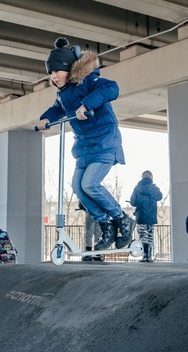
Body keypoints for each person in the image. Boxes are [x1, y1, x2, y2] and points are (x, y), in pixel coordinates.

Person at [36, 37, 135, 251]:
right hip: (84, 146)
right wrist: (46, 118)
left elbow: (112, 88)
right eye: (50, 73)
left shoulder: (89, 81)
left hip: (105, 141)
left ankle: (122, 220)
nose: (53, 77)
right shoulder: (62, 95)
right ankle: (106, 225)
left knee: (90, 184)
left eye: (57, 72)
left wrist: (86, 104)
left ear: (68, 69)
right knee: (78, 188)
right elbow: (56, 109)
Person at [129, 170, 163, 262]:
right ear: (151, 177)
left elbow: (132, 202)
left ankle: (145, 255)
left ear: (142, 177)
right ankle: (150, 256)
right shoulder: (154, 188)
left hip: (141, 215)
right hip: (151, 216)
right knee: (150, 236)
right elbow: (159, 197)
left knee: (143, 235)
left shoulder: (137, 188)